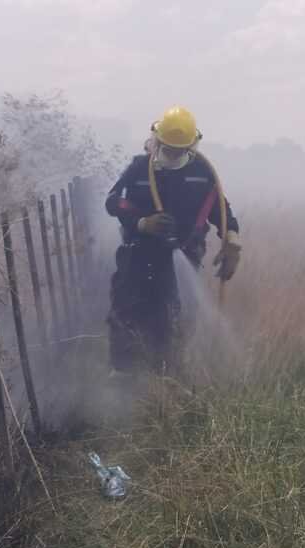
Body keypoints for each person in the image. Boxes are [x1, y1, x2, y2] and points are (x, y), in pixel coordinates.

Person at [104, 106, 242, 376]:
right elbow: (112, 202)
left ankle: (167, 374)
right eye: (168, 148)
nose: (173, 154)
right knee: (126, 307)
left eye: (179, 150)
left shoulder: (203, 173)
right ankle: (122, 373)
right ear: (157, 141)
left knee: (172, 313)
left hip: (184, 254)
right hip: (138, 253)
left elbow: (223, 213)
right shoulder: (139, 168)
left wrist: (232, 240)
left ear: (192, 144)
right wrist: (143, 223)